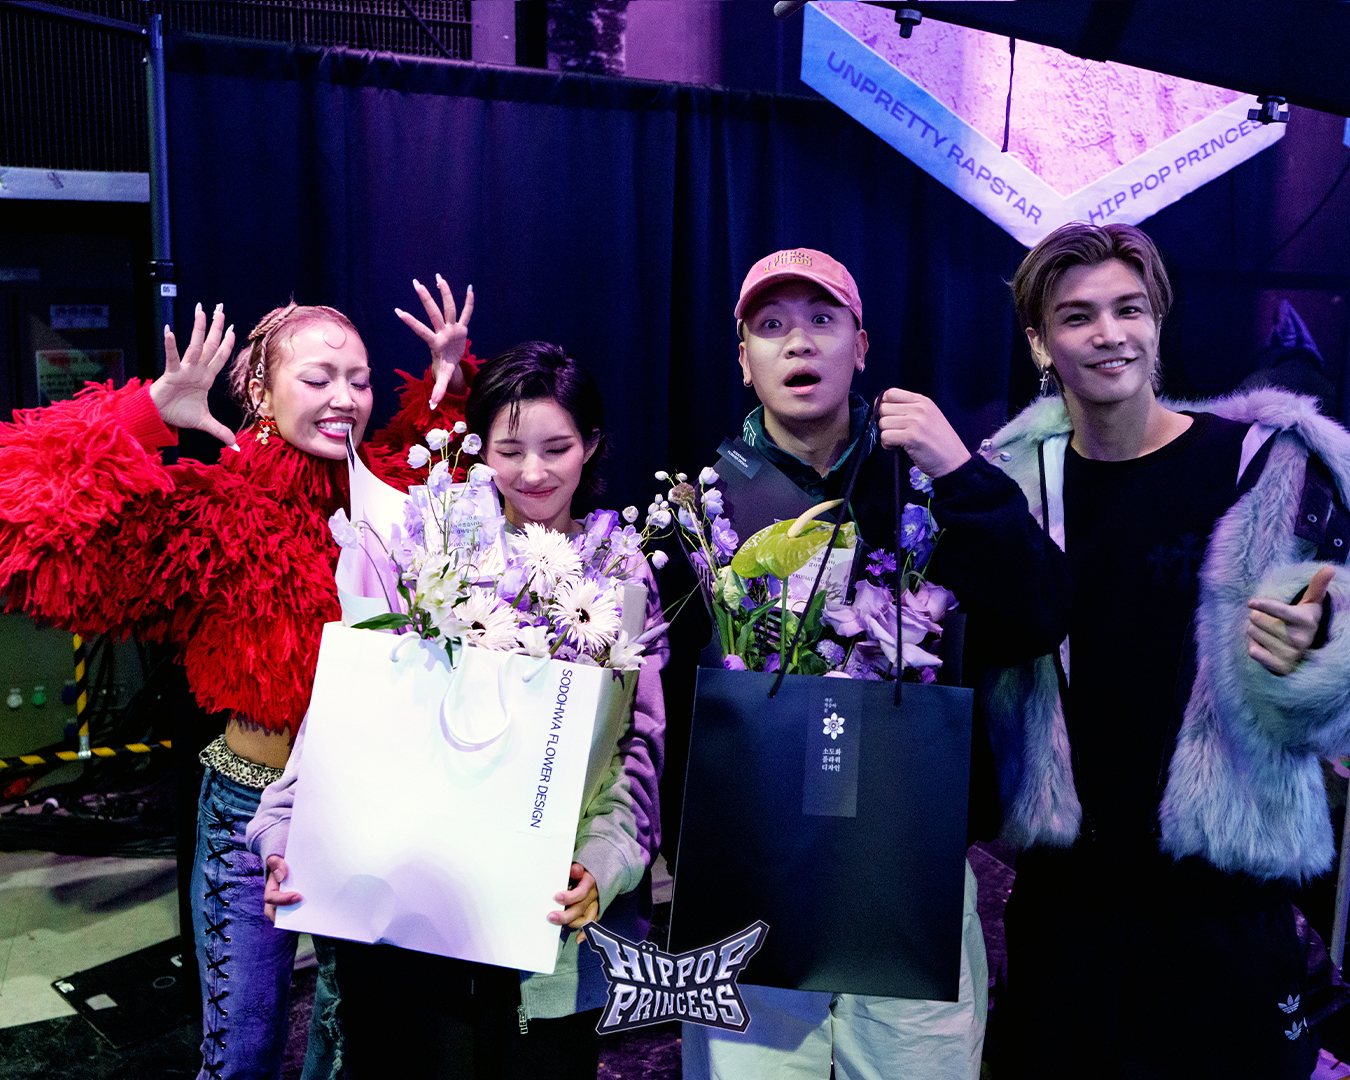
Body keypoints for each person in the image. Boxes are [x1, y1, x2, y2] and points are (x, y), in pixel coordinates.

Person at [878, 221, 1350, 1078]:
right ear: (1040, 343)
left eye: (1129, 309)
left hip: (1225, 911)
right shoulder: (1012, 485)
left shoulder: (1266, 468)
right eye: (1078, 315)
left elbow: (1337, 677)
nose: (1109, 334)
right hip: (1069, 909)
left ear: (1158, 321)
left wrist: (1321, 656)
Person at [0, 282, 474, 1080]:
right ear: (260, 390)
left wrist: (449, 381)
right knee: (242, 1054)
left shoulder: (395, 490)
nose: (346, 398)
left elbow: (463, 465)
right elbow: (25, 518)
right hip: (248, 806)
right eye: (318, 377)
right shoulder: (214, 508)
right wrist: (147, 413)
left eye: (360, 380)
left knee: (352, 1042)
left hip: (370, 809)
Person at [249, 340, 668, 1079]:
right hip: (416, 916)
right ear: (477, 450)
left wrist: (603, 866)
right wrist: (288, 830)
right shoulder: (431, 545)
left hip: (546, 924)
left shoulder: (620, 570)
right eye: (509, 450)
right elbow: (354, 701)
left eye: (557, 448)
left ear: (592, 445)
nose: (533, 472)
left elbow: (638, 742)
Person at [680, 248, 989, 1080]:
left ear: (862, 345)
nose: (799, 343)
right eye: (771, 326)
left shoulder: (925, 479)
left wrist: (962, 474)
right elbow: (674, 711)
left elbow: (1038, 613)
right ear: (743, 361)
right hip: (756, 881)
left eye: (823, 320)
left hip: (906, 872)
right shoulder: (705, 507)